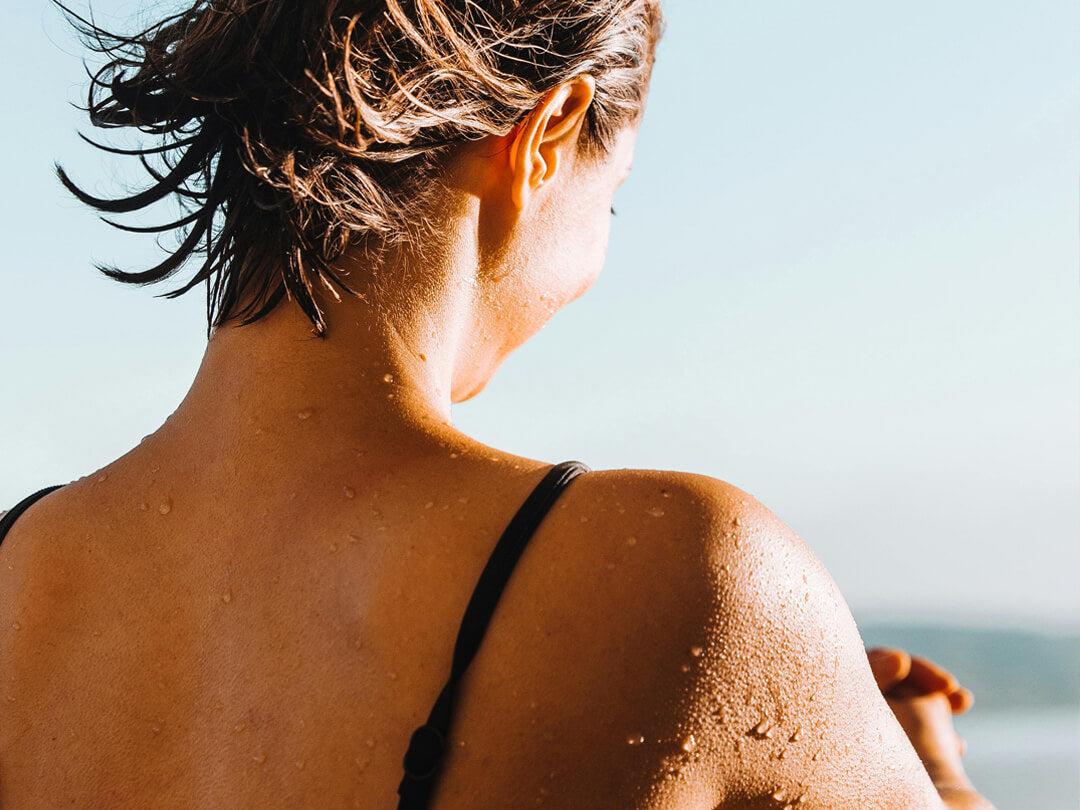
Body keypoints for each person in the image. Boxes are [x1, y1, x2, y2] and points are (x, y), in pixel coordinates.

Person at [0, 1, 994, 807]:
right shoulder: (681, 568)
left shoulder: (16, 580)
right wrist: (930, 768)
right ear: (548, 133)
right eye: (614, 199)